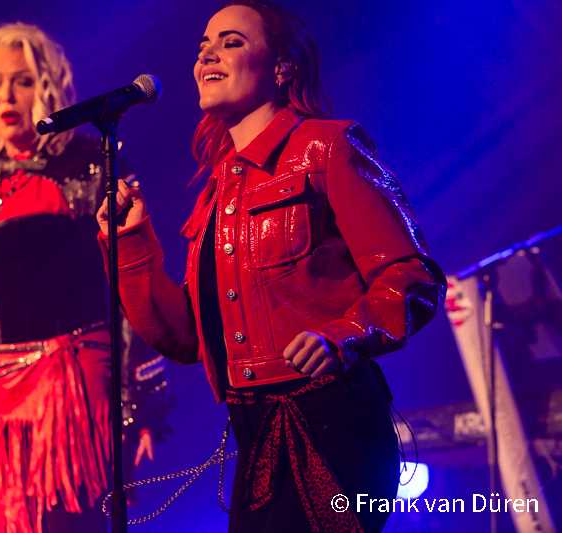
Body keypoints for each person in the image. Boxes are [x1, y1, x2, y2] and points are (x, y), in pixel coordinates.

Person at [96, 2, 446, 532]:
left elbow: (411, 276)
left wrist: (343, 334)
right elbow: (185, 338)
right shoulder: (217, 193)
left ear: (282, 67)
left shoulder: (327, 147)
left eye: (231, 42)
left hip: (333, 424)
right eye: (203, 47)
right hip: (255, 431)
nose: (207, 55)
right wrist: (129, 243)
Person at [0, 22, 168, 533]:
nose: (7, 96)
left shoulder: (90, 160)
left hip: (74, 387)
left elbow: (129, 284)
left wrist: (140, 406)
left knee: (70, 521)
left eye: (22, 80)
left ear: (48, 85)